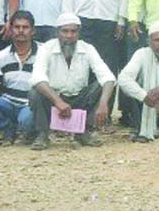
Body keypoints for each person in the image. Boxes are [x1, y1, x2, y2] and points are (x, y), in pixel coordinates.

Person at [30, 16, 116, 149]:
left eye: (73, 31)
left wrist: (104, 104)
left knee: (104, 86)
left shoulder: (88, 48)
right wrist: (58, 102)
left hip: (79, 99)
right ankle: (42, 134)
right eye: (64, 31)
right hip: (54, 100)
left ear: (79, 32)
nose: (69, 36)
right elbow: (37, 77)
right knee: (35, 91)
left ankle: (83, 132)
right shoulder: (46, 48)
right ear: (57, 32)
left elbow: (107, 77)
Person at [0, 12, 41, 146]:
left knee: (26, 119)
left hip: (31, 105)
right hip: (9, 104)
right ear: (11, 30)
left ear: (33, 31)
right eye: (17, 27)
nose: (21, 31)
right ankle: (8, 129)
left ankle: (24, 131)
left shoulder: (44, 53)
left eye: (25, 27)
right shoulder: (1, 56)